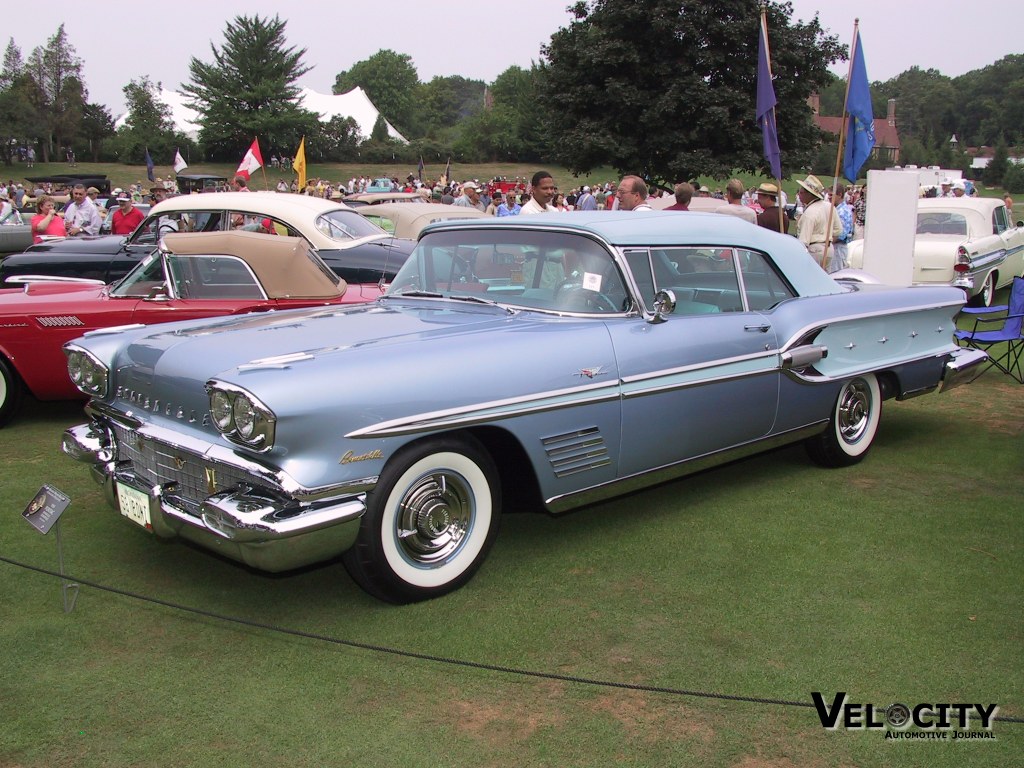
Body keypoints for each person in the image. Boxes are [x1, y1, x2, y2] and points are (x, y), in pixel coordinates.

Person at [795, 174, 843, 272]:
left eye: (801, 192)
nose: (799, 195)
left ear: (809, 194)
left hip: (814, 250)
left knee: (811, 280)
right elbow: (838, 230)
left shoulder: (809, 213)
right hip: (829, 250)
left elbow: (803, 241)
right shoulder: (830, 206)